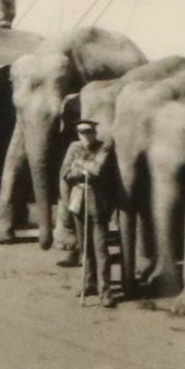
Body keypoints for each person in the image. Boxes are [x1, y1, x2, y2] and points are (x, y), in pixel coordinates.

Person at [59, 116, 119, 301]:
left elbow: (98, 170)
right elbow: (65, 173)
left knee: (101, 248)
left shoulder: (104, 147)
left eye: (88, 131)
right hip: (78, 202)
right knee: (85, 247)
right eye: (81, 132)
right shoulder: (73, 147)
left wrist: (80, 164)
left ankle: (105, 290)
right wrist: (82, 170)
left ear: (95, 132)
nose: (85, 135)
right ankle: (89, 284)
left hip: (98, 202)